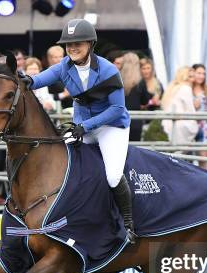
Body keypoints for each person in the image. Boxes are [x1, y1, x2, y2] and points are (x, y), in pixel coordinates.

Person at [22, 19, 135, 243]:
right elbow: (39, 79)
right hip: (82, 125)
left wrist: (86, 126)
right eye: (69, 44)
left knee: (112, 176)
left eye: (78, 43)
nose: (72, 48)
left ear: (90, 44)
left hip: (110, 127)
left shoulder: (108, 70)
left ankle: (129, 224)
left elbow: (117, 108)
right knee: (60, 163)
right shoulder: (65, 66)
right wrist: (25, 80)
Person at [160, 66, 199, 145]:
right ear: (185, 77)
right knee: (201, 132)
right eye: (190, 76)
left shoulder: (173, 87)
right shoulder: (186, 88)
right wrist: (196, 106)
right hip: (179, 127)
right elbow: (191, 111)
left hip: (166, 125)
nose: (193, 79)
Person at [120, 52, 152, 141]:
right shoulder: (140, 82)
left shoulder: (116, 79)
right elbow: (145, 101)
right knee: (134, 150)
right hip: (135, 120)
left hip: (119, 118)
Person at [45, 45, 72, 110]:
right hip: (54, 112)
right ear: (49, 59)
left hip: (72, 109)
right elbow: (43, 97)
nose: (59, 59)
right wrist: (64, 94)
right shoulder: (45, 75)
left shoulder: (69, 72)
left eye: (60, 56)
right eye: (55, 57)